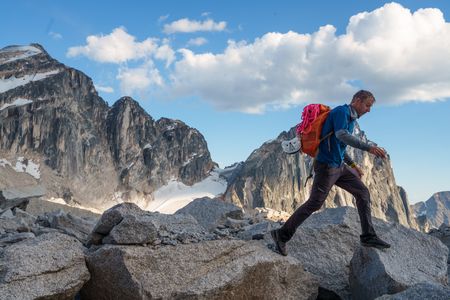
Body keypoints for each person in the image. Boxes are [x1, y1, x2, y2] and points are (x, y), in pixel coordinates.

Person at [271, 90, 391, 256]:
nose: (368, 110)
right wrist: (368, 148)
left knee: (362, 193)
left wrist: (353, 165)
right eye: (367, 105)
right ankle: (281, 235)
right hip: (327, 167)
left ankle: (368, 236)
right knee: (314, 203)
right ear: (357, 100)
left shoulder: (350, 117)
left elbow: (338, 144)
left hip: (339, 167)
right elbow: (342, 136)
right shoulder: (341, 112)